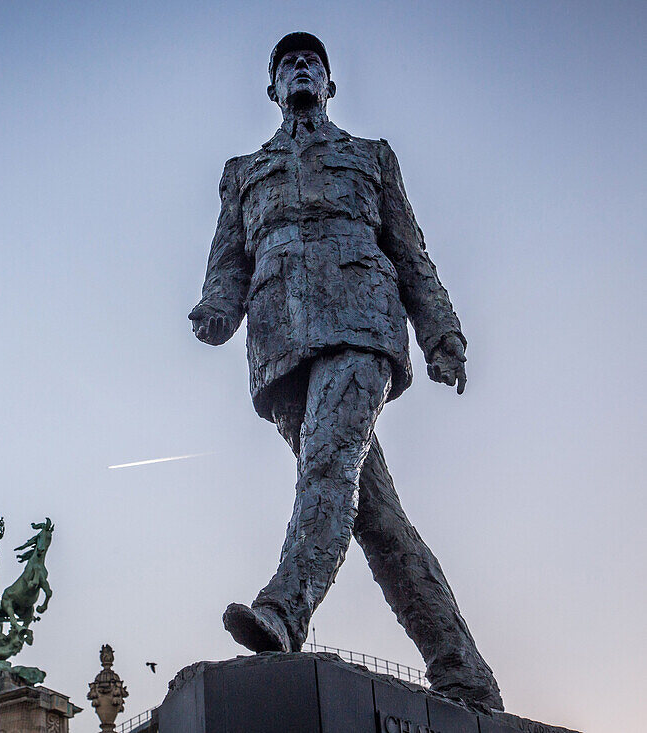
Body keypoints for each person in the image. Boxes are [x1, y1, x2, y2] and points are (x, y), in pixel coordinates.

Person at [189, 32, 502, 710]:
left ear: (329, 85)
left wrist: (442, 334)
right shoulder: (243, 170)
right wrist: (216, 308)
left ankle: (285, 608)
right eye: (288, 64)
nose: (301, 69)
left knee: (328, 467)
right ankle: (464, 671)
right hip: (280, 347)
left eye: (312, 63)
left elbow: (411, 252)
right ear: (273, 90)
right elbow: (229, 258)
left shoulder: (371, 157)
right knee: (376, 518)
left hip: (362, 326)